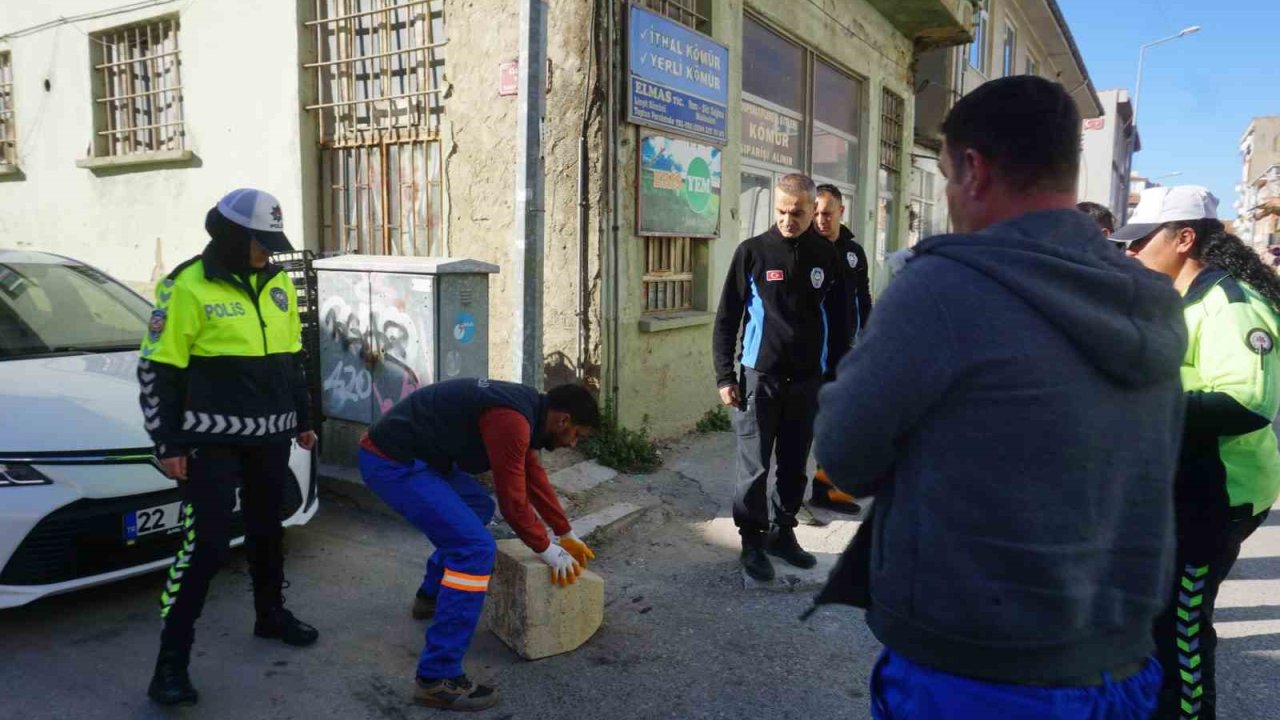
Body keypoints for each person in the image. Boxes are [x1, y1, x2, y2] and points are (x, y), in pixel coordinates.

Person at [814, 76, 1187, 718]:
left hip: (977, 672)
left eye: (947, 176)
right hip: (1122, 663)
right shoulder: (1147, 299)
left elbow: (845, 456)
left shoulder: (944, 287)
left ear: (975, 169)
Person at [138, 188, 319, 706]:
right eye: (260, 243)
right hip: (209, 442)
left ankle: (271, 616)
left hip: (271, 436)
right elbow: (158, 369)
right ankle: (170, 664)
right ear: (233, 236)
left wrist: (303, 418)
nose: (268, 252)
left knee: (268, 530)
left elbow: (292, 356)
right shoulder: (185, 286)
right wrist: (166, 440)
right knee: (208, 546)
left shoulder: (278, 281)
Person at [1116, 185, 1280, 720]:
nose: (1130, 252)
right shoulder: (1177, 297)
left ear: (1184, 238)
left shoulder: (1232, 304)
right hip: (1176, 489)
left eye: (1140, 242)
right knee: (1155, 623)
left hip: (1215, 496)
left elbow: (1247, 403)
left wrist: (1141, 400)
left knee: (1180, 633)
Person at [358, 378, 600, 711]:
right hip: (392, 461)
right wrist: (546, 548)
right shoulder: (513, 420)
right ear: (564, 421)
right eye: (577, 436)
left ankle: (431, 596)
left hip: (421, 458)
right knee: (475, 549)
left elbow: (533, 477)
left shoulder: (528, 410)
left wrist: (565, 532)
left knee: (478, 509)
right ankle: (437, 679)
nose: (573, 444)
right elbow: (513, 503)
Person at [712, 173, 838, 581]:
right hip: (759, 378)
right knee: (754, 466)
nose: (788, 220)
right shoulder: (752, 252)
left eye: (798, 213)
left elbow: (837, 319)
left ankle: (784, 531)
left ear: (811, 208)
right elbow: (727, 318)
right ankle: (752, 541)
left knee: (795, 463)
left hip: (807, 381)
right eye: (782, 212)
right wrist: (724, 376)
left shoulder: (826, 254)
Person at [809, 184, 871, 516]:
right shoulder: (803, 248)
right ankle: (784, 499)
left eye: (827, 213)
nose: (820, 219)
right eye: (816, 212)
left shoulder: (853, 252)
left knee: (837, 426)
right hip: (808, 356)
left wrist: (870, 340)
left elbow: (864, 298)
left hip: (844, 355)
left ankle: (825, 490)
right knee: (802, 427)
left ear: (841, 212)